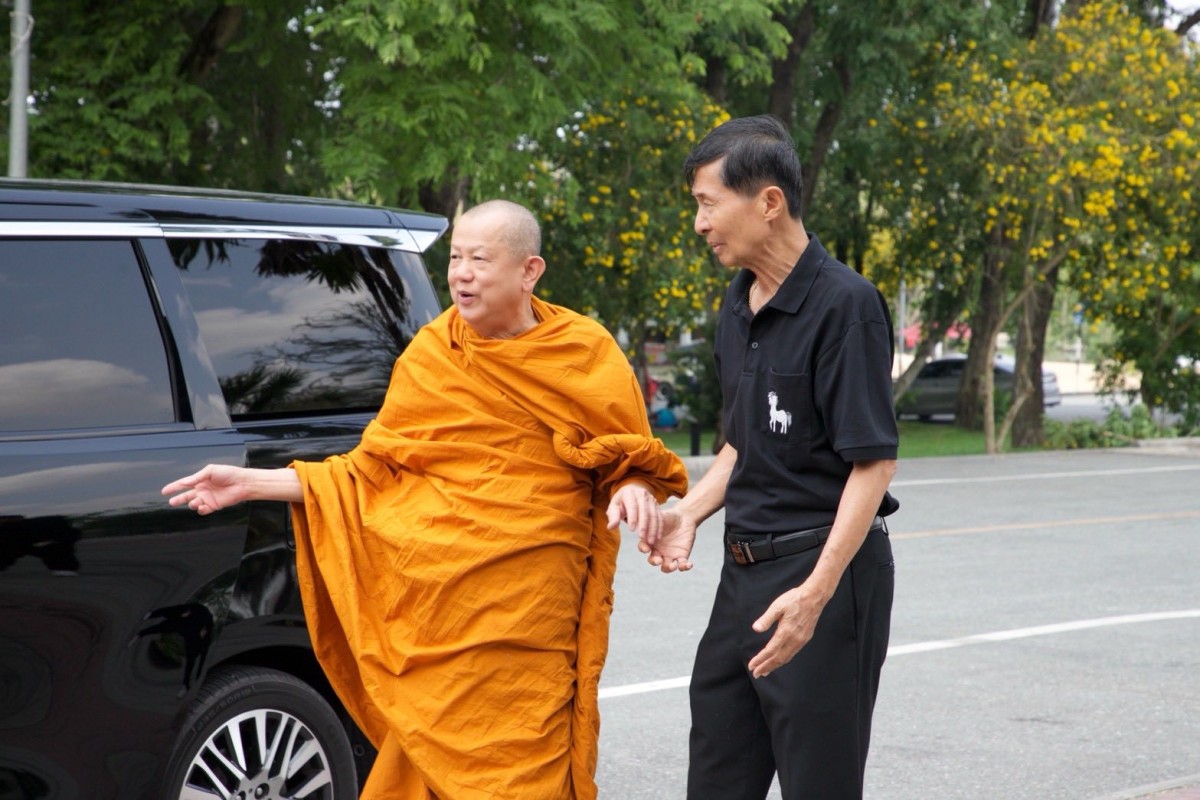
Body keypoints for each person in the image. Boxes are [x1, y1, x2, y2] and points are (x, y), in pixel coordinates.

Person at [163, 199, 688, 800]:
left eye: (479, 260)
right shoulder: (433, 353)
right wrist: (254, 483)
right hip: (437, 609)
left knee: (524, 764)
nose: (461, 273)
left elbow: (626, 454)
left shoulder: (583, 351)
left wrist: (633, 487)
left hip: (529, 610)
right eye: (456, 258)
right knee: (426, 749)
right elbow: (371, 471)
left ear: (529, 271)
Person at [640, 115, 900, 799]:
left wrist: (816, 593)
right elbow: (744, 438)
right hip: (743, 577)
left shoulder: (845, 305)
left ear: (768, 202)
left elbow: (873, 464)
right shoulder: (738, 305)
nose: (699, 223)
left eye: (707, 203)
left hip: (824, 577)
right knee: (717, 774)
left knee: (819, 785)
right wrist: (689, 513)